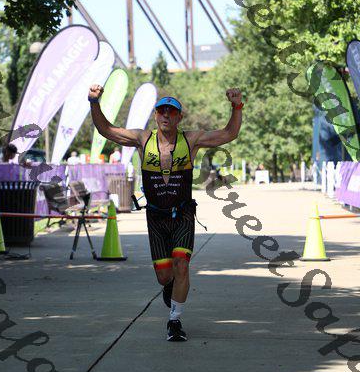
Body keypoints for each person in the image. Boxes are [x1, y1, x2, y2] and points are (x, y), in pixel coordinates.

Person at [88, 85, 243, 341]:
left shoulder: (190, 140)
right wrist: (94, 102)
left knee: (182, 265)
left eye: (171, 112)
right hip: (156, 217)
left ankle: (174, 321)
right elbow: (107, 130)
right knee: (164, 276)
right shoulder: (142, 139)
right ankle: (170, 286)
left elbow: (229, 133)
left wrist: (236, 106)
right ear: (155, 115)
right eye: (162, 111)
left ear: (179, 117)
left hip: (182, 214)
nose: (166, 116)